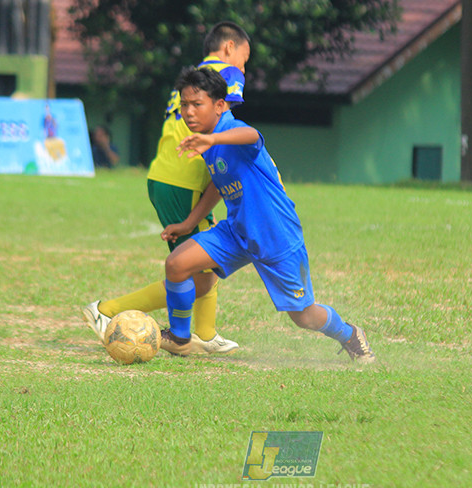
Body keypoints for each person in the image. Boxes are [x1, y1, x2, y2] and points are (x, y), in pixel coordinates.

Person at [160, 66, 375, 362]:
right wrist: (188, 223)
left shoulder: (228, 131)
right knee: (177, 264)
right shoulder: (209, 139)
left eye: (197, 104)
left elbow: (251, 136)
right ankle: (180, 338)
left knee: (304, 316)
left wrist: (212, 141)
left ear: (220, 105)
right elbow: (218, 183)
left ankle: (350, 335)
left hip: (275, 234)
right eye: (184, 104)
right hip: (237, 231)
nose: (189, 112)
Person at [82, 22, 250, 354]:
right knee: (197, 272)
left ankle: (203, 331)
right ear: (230, 47)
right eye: (246, 58)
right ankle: (106, 310)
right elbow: (227, 128)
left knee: (206, 261)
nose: (245, 67)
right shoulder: (228, 73)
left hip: (168, 175)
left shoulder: (192, 80)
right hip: (183, 180)